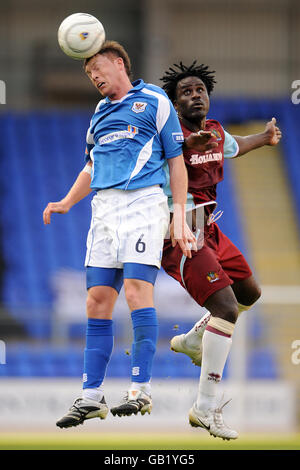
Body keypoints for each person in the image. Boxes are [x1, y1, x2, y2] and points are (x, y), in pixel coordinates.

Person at [43, 42, 196, 428]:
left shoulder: (155, 100)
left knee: (135, 292)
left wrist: (179, 216)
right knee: (95, 301)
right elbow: (91, 165)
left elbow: (176, 163)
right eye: (88, 73)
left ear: (118, 63)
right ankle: (91, 396)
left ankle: (140, 389)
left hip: (143, 203)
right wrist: (65, 202)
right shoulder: (98, 113)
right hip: (104, 210)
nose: (93, 76)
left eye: (97, 67)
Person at [160, 61, 282, 440]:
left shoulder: (213, 131)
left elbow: (234, 146)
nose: (195, 95)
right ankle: (205, 407)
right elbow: (154, 158)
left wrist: (264, 138)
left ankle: (196, 338)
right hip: (178, 232)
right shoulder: (168, 135)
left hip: (209, 229)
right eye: (186, 92)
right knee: (226, 309)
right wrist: (183, 145)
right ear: (175, 103)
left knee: (250, 293)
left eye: (200, 89)